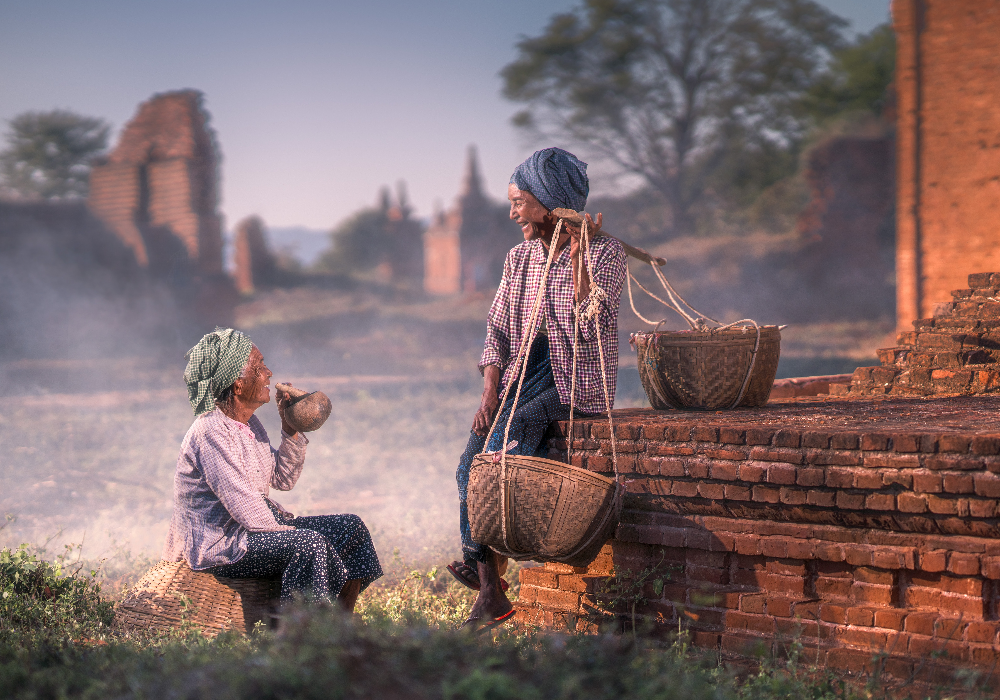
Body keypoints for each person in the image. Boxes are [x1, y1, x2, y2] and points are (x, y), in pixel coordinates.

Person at [448, 148, 627, 629]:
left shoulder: (605, 254)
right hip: (520, 376)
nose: (512, 213)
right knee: (469, 463)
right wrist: (488, 396)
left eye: (519, 202)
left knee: (510, 442)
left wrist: (578, 258)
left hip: (571, 379)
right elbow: (498, 330)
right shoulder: (519, 257)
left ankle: (491, 573)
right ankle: (488, 583)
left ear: (550, 205)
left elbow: (591, 325)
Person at [162, 328, 382, 611]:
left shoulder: (250, 424)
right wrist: (291, 532)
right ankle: (298, 637)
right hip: (221, 543)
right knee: (309, 544)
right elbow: (245, 506)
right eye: (258, 367)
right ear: (238, 385)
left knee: (351, 529)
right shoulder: (210, 432)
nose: (269, 373)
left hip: (253, 530)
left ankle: (339, 624)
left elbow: (282, 478)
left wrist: (290, 429)